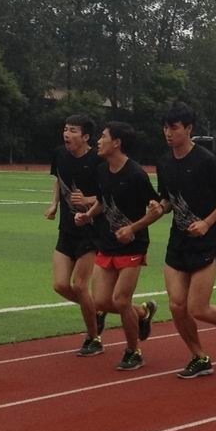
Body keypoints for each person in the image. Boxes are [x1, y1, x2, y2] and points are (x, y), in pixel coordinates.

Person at [148, 103, 216, 379]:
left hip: (205, 243)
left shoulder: (204, 160)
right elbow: (167, 199)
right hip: (177, 242)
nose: (168, 133)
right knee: (176, 305)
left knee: (197, 307)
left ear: (189, 129)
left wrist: (207, 222)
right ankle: (199, 356)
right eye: (165, 128)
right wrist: (159, 207)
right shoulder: (164, 162)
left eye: (174, 128)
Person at [78, 121, 158, 371]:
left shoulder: (136, 175)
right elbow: (103, 201)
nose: (99, 141)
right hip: (107, 243)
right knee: (101, 301)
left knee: (121, 300)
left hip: (133, 246)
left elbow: (156, 209)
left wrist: (132, 229)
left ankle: (133, 352)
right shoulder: (102, 170)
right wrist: (88, 215)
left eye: (103, 137)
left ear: (116, 143)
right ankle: (143, 313)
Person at [46, 113, 107, 356]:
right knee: (60, 285)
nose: (66, 134)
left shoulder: (98, 161)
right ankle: (99, 311)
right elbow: (58, 180)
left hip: (91, 231)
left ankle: (94, 338)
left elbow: (107, 196)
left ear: (86, 136)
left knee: (80, 286)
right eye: (65, 129)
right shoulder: (60, 154)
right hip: (67, 229)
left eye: (73, 130)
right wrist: (54, 204)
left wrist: (88, 200)